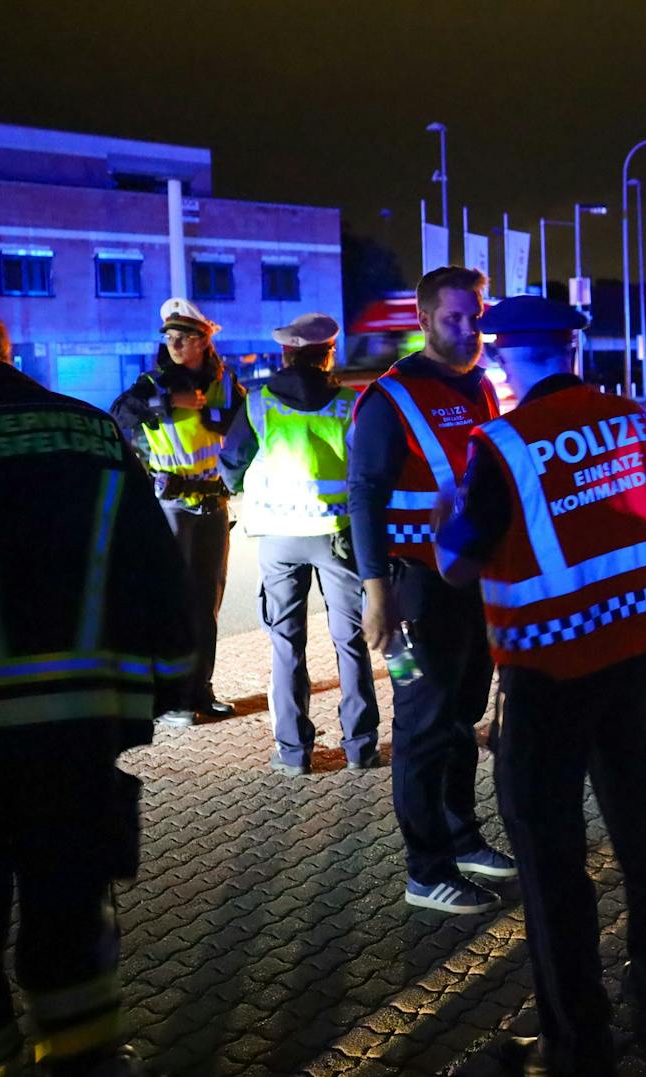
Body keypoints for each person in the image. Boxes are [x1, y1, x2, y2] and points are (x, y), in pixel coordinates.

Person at [0, 294, 195, 1077]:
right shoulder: (89, 431)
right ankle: (87, 1063)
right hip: (76, 727)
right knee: (70, 910)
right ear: (3, 347)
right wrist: (168, 686)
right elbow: (154, 568)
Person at [435, 295, 646, 1077]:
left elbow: (459, 561)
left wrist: (450, 512)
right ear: (570, 350)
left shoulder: (505, 443)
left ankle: (576, 1046)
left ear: (506, 356)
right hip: (636, 658)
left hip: (548, 673)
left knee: (552, 863)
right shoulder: (640, 423)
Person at [347, 266, 516, 914]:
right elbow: (365, 497)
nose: (470, 327)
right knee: (422, 726)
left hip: (467, 584)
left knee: (460, 717)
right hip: (414, 589)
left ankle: (460, 835)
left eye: (476, 314)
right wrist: (376, 591)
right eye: (454, 317)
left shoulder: (480, 385)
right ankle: (426, 869)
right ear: (422, 320)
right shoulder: (393, 398)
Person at [219, 312, 381, 775]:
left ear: (287, 354)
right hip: (336, 537)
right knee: (350, 641)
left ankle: (294, 753)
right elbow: (368, 470)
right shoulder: (351, 403)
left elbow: (232, 460)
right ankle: (360, 748)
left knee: (286, 643)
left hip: (277, 538)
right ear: (328, 353)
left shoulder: (258, 403)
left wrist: (238, 490)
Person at [110, 297, 245, 727]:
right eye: (169, 336)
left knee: (207, 604)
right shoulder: (152, 384)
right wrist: (168, 404)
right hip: (172, 505)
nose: (175, 343)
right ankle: (171, 700)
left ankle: (200, 691)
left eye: (184, 337)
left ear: (204, 341)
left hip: (214, 503)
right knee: (173, 603)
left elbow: (246, 433)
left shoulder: (227, 383)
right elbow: (118, 415)